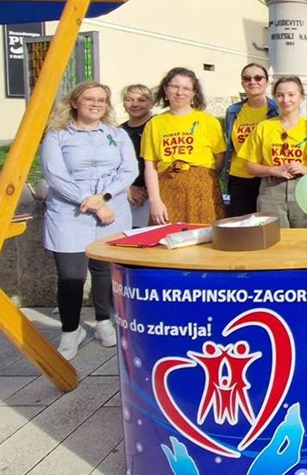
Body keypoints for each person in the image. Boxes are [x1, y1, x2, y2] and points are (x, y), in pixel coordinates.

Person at [40, 82, 137, 360]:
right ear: (74, 102)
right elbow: (55, 175)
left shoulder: (116, 135)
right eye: (89, 99)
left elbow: (129, 170)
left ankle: (104, 320)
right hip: (71, 212)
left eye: (102, 100)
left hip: (111, 209)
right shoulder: (57, 136)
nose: (96, 104)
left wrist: (103, 197)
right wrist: (90, 201)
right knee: (71, 275)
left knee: (104, 271)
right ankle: (71, 330)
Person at [142, 67, 227, 225]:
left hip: (202, 190)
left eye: (186, 88)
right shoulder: (154, 124)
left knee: (204, 236)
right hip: (167, 186)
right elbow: (150, 164)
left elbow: (219, 158)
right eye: (174, 87)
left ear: (194, 93)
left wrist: (200, 178)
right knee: (166, 237)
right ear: (166, 89)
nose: (180, 92)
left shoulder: (209, 121)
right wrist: (155, 201)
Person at [237, 76, 307, 227]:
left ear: (301, 97)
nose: (286, 99)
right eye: (280, 95)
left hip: (304, 189)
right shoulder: (264, 127)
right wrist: (273, 170)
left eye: (291, 94)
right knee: (273, 240)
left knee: (306, 242)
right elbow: (250, 166)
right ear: (274, 97)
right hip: (271, 190)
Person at [224, 63, 278, 217]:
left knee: (266, 225)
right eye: (247, 79)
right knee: (240, 227)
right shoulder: (233, 111)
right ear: (242, 83)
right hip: (239, 177)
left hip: (266, 177)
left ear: (267, 83)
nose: (252, 82)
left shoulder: (276, 110)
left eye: (258, 78)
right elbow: (230, 144)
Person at [120, 84, 154, 228]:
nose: (135, 104)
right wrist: (128, 188)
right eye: (129, 99)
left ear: (152, 103)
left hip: (154, 196)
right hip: (126, 195)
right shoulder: (117, 132)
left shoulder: (158, 126)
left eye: (141, 100)